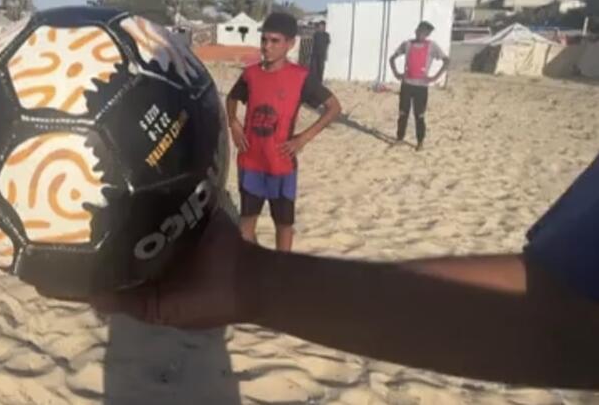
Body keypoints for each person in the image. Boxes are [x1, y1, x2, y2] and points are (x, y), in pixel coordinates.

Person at [89, 156, 599, 390]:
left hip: (282, 167)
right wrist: (252, 281)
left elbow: (555, 314)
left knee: (283, 218)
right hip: (251, 172)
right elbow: (558, 311)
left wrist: (257, 282)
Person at [225, 12, 342, 251]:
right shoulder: (250, 74)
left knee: (284, 224)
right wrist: (233, 123)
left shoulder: (301, 78)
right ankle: (250, 267)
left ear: (290, 44)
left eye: (274, 41)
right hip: (250, 161)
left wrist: (303, 138)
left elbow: (334, 107)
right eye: (264, 40)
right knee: (247, 221)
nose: (267, 46)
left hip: (281, 164)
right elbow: (232, 97)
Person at [389, 21, 450, 151]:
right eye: (419, 31)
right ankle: (400, 138)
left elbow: (446, 61)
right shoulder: (408, 44)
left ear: (427, 34)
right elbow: (392, 58)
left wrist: (434, 77)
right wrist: (396, 73)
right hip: (407, 85)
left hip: (421, 87)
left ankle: (420, 142)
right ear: (416, 31)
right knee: (403, 113)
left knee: (419, 115)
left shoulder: (432, 46)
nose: (420, 34)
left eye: (424, 32)